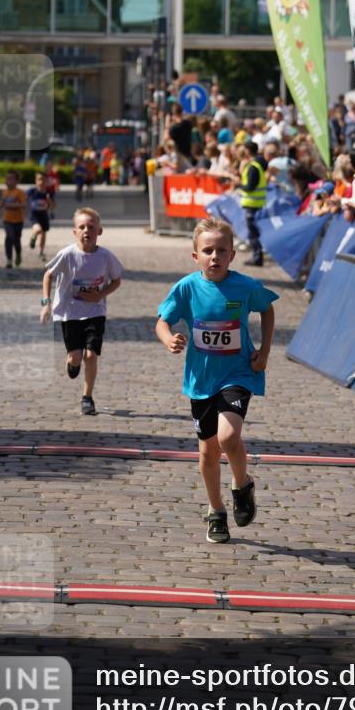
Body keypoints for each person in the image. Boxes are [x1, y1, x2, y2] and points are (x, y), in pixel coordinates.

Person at [155, 217, 279, 544]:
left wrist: (265, 350)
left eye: (221, 250)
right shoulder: (186, 288)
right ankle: (216, 511)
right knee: (207, 453)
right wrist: (168, 338)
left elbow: (267, 309)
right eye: (207, 250)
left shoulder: (246, 286)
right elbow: (162, 321)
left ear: (232, 255)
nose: (214, 256)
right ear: (195, 255)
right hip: (200, 380)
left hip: (238, 373)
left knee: (228, 436)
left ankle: (241, 485)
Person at [40, 207, 124, 415]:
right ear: (75, 232)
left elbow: (117, 280)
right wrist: (46, 303)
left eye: (91, 227)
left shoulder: (106, 257)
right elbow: (48, 275)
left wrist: (100, 294)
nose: (87, 230)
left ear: (100, 231)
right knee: (76, 356)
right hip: (70, 313)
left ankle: (87, 397)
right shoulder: (68, 254)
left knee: (91, 354)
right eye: (82, 227)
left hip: (95, 312)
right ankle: (72, 363)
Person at [233, 140, 267, 266]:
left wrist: (239, 184)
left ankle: (257, 258)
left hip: (253, 205)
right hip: (255, 204)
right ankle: (256, 256)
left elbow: (250, 187)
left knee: (253, 233)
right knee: (253, 232)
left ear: (247, 150)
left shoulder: (253, 167)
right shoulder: (256, 165)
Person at [0, 169, 26, 269]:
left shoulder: (19, 192)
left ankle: (18, 254)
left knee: (16, 240)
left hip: (18, 220)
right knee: (9, 237)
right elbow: (2, 202)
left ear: (16, 181)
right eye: (6, 179)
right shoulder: (4, 191)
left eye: (10, 179)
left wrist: (14, 205)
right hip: (7, 219)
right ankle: (9, 260)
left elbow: (24, 205)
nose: (7, 181)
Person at [27, 171, 54, 262]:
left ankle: (41, 252)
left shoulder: (48, 193)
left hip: (44, 216)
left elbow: (53, 206)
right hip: (34, 215)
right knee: (38, 229)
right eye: (39, 179)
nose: (41, 182)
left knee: (43, 235)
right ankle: (33, 238)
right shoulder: (31, 191)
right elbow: (23, 198)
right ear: (35, 181)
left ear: (47, 182)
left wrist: (49, 200)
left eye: (43, 180)